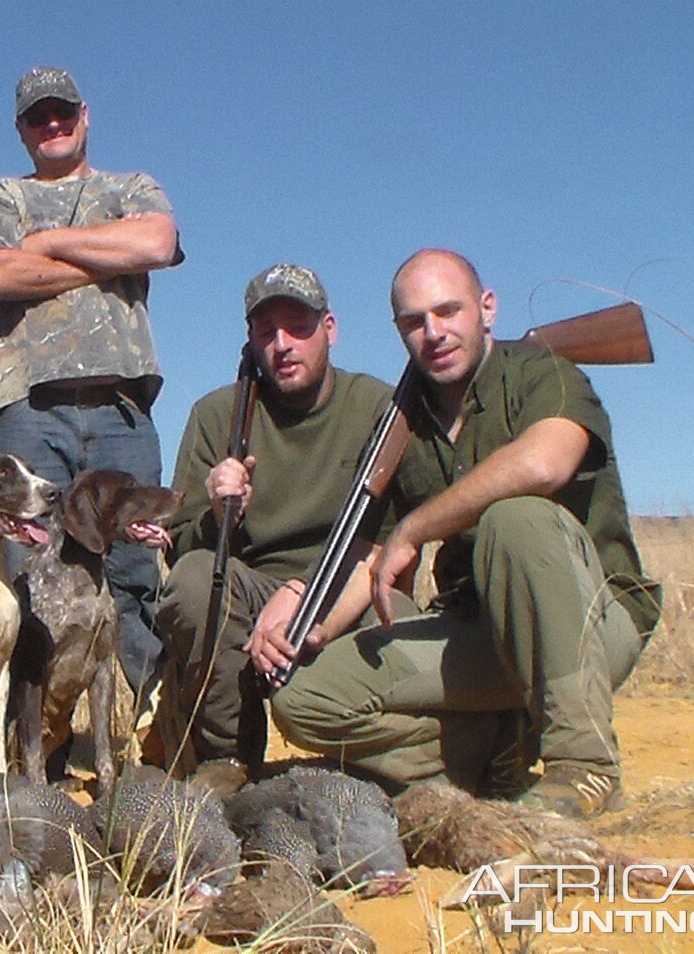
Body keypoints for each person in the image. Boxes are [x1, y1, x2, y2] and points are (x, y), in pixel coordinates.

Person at [271, 248, 661, 819]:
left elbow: (544, 464)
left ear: (487, 308)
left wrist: (418, 525)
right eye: (414, 321)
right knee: (305, 700)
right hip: (477, 631)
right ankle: (489, 750)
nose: (433, 332)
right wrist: (311, 628)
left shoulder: (543, 370)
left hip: (591, 625)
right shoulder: (401, 424)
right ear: (399, 331)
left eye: (448, 311)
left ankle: (584, 767)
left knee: (515, 517)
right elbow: (374, 552)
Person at [0, 67, 182, 691]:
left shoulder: (131, 186)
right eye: (37, 116)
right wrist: (104, 263)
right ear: (21, 129)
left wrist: (51, 243)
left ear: (85, 115)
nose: (52, 124)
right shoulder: (2, 196)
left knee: (135, 569)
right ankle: (33, 767)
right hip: (31, 406)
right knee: (29, 572)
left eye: (62, 112)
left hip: (121, 410)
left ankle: (146, 734)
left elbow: (157, 242)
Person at [152, 264, 405, 773]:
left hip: (349, 587)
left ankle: (395, 756)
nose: (283, 344)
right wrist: (218, 513)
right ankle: (226, 760)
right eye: (267, 332)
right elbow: (180, 543)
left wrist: (307, 595)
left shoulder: (380, 405)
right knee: (198, 580)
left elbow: (396, 535)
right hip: (253, 600)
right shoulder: (215, 415)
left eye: (299, 327)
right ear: (251, 340)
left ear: (329, 329)